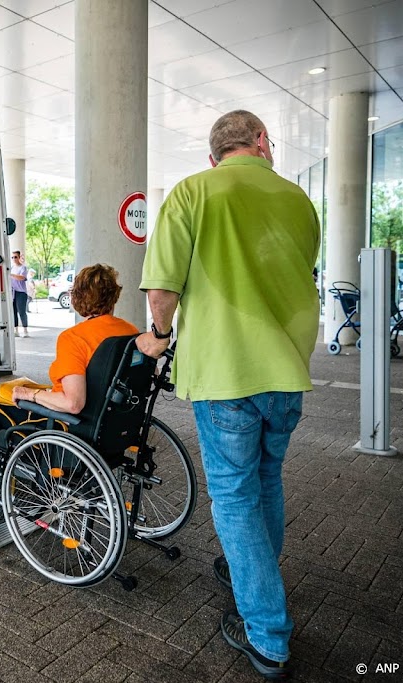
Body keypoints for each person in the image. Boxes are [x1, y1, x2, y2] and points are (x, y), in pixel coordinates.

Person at [136, 110, 320, 680]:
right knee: (266, 480)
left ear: (215, 156)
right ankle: (249, 568)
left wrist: (159, 336)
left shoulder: (194, 192)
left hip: (224, 374)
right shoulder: (298, 200)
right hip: (286, 372)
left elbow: (163, 287)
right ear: (262, 142)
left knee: (235, 498)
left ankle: (267, 635)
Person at [0, 263, 139, 488]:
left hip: (75, 426)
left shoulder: (75, 338)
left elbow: (73, 402)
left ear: (78, 298)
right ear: (114, 295)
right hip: (113, 425)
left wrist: (30, 395)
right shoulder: (130, 332)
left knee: (0, 409)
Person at [10, 251, 30, 337]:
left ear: (19, 257)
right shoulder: (11, 268)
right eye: (12, 257)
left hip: (21, 292)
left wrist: (11, 275)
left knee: (22, 311)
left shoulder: (23, 268)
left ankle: (25, 330)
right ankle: (16, 330)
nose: (14, 259)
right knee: (13, 311)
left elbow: (22, 277)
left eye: (15, 257)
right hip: (12, 292)